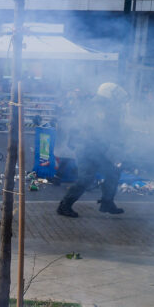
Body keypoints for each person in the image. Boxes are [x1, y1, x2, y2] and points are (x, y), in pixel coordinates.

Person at [56, 82, 128, 218]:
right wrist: (111, 151)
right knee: (86, 179)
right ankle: (64, 205)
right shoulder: (96, 108)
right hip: (89, 149)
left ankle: (107, 202)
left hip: (96, 149)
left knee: (113, 173)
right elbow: (96, 132)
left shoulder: (103, 106)